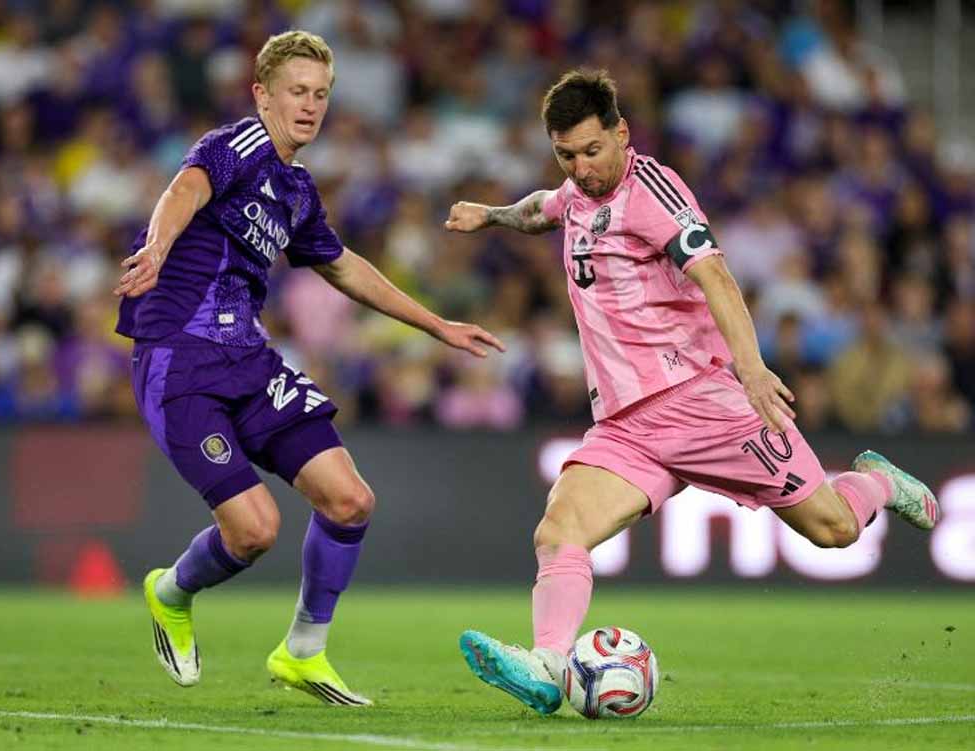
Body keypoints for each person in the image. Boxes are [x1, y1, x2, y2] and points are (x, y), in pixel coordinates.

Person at [445, 69, 939, 716]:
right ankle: (549, 664)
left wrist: (751, 369)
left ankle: (877, 482)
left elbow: (716, 276)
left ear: (622, 133)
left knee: (835, 528)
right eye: (567, 155)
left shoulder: (653, 190)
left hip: (703, 403)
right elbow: (545, 208)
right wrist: (492, 216)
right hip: (626, 425)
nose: (582, 168)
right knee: (558, 530)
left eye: (592, 151)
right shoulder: (578, 192)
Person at [115, 30, 502, 706]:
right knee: (254, 530)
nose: (311, 105)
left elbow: (344, 267)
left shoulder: (295, 190)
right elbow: (186, 187)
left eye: (321, 94)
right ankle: (171, 592)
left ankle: (302, 651)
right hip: (180, 357)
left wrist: (436, 324)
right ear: (262, 94)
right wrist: (157, 245)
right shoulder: (238, 145)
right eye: (297, 91)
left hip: (249, 358)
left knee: (351, 500)